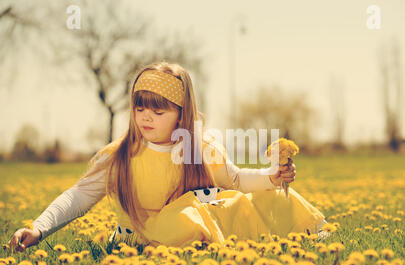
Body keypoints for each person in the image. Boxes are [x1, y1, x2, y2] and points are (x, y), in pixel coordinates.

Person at [8, 61, 329, 252]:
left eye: (158, 109)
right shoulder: (119, 156)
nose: (146, 117)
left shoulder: (199, 147)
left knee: (264, 199)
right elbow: (78, 196)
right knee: (185, 215)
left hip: (192, 222)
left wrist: (271, 177)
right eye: (139, 107)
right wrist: (39, 228)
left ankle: (307, 236)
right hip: (145, 235)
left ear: (181, 114)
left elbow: (235, 181)